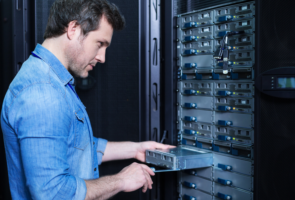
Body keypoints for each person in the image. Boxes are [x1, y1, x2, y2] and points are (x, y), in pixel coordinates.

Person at [0, 0, 173, 199]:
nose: (102, 57)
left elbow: (75, 146)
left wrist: (135, 150)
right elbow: (53, 193)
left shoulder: (52, 81)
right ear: (73, 29)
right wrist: (121, 180)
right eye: (100, 44)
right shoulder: (43, 93)